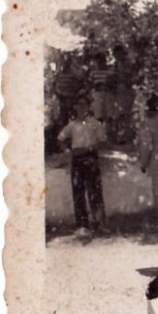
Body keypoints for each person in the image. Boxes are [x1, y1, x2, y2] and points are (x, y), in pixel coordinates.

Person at [57, 95, 107, 239]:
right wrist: (68, 151)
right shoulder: (72, 125)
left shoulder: (94, 123)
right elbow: (61, 138)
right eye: (79, 104)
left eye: (84, 104)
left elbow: (102, 142)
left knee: (95, 191)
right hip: (77, 159)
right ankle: (82, 225)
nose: (81, 107)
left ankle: (99, 223)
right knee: (78, 192)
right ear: (75, 107)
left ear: (88, 107)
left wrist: (89, 149)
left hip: (91, 158)